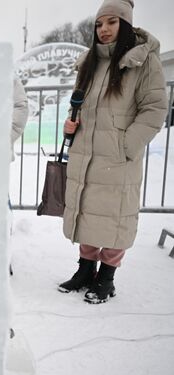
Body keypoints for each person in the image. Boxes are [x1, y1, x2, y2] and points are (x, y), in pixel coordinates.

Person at [59, 0, 167, 304]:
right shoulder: (89, 63)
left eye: (112, 22)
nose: (104, 30)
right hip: (86, 154)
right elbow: (77, 104)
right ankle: (84, 271)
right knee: (88, 213)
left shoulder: (143, 62)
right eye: (99, 24)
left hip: (118, 158)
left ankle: (106, 278)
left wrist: (126, 145)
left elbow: (154, 108)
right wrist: (72, 125)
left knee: (115, 217)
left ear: (127, 24)